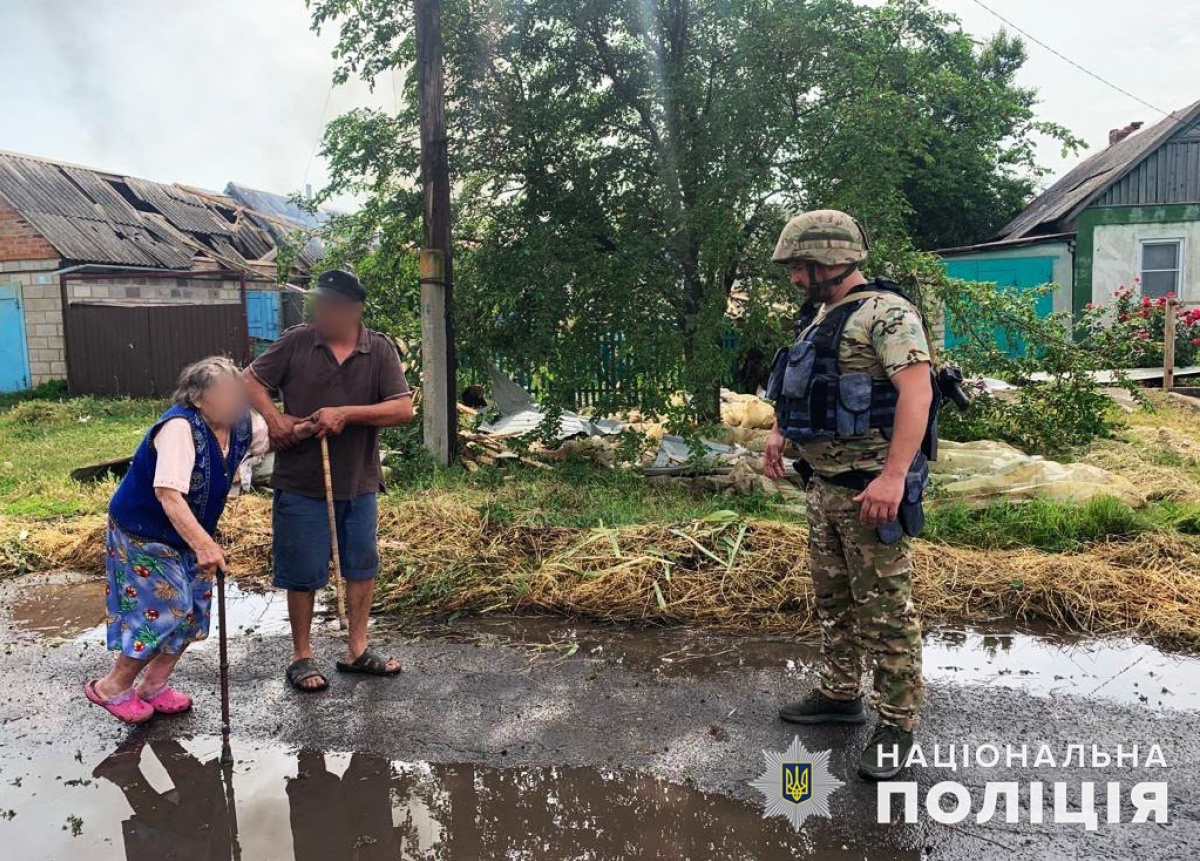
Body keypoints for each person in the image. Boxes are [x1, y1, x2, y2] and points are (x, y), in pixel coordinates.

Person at [761, 210, 935, 780]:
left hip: (869, 492)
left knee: (884, 612)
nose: (793, 278)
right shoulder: (822, 318)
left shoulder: (888, 313)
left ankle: (897, 725)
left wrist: (892, 477)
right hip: (824, 490)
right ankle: (840, 694)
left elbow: (918, 393)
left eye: (799, 267)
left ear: (830, 262)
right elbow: (810, 388)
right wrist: (781, 432)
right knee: (834, 602)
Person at [86, 356, 308, 724]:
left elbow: (273, 437)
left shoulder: (241, 425)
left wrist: (306, 428)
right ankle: (111, 687)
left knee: (192, 615)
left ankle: (153, 686)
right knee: (164, 610)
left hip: (189, 533)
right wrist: (204, 544)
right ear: (198, 399)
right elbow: (168, 495)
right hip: (145, 531)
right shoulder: (179, 428)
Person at [245, 268, 414, 693]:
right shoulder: (299, 340)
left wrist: (347, 414)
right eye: (318, 303)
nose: (321, 310)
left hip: (359, 481)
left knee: (361, 566)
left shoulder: (378, 351)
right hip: (301, 480)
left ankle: (357, 650)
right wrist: (275, 417)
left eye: (331, 305)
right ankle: (301, 656)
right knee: (302, 571)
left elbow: (402, 409)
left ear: (353, 310)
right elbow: (248, 380)